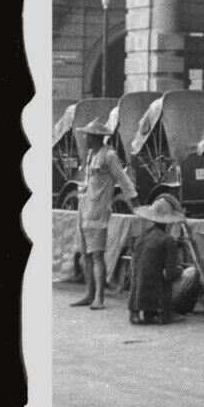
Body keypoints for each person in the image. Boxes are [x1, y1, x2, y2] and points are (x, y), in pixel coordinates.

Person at [71, 118, 138, 310]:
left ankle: (99, 298)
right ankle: (89, 294)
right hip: (84, 210)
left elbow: (123, 180)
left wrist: (134, 201)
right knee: (86, 255)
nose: (85, 139)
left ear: (96, 137)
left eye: (88, 136)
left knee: (97, 255)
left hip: (98, 212)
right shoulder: (92, 155)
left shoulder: (109, 156)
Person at [129, 199, 187, 324]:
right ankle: (165, 312)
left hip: (136, 295)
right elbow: (171, 273)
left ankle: (139, 312)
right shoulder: (168, 240)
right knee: (190, 273)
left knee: (141, 273)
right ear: (168, 222)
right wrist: (180, 270)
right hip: (157, 292)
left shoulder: (141, 237)